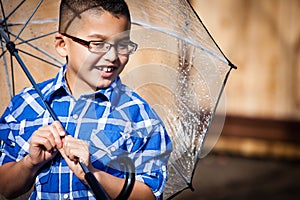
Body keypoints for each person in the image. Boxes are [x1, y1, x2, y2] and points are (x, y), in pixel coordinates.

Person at [0, 0, 172, 199]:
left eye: (123, 45)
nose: (113, 57)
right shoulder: (27, 104)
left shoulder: (137, 114)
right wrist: (30, 163)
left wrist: (93, 174)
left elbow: (149, 195)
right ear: (62, 44)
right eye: (98, 44)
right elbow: (6, 187)